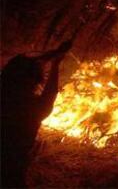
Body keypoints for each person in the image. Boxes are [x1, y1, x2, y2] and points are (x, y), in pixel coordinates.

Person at [1, 41, 71, 188]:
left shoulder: (5, 94)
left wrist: (54, 54)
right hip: (11, 170)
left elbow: (22, 68)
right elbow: (50, 92)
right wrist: (56, 63)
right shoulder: (33, 108)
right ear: (33, 80)